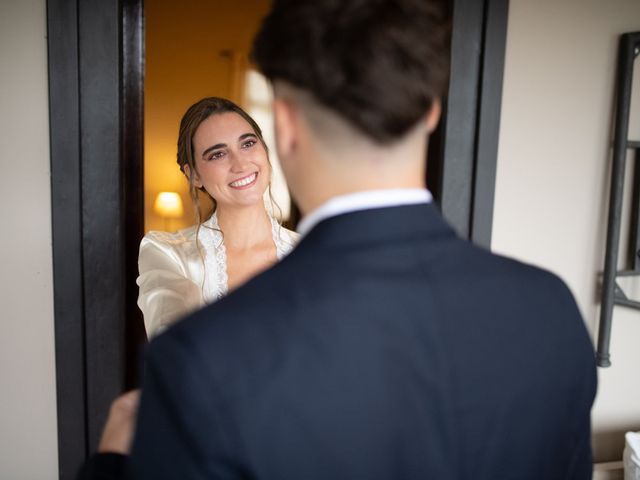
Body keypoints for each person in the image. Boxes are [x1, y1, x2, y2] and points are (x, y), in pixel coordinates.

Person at [79, 0, 597, 478]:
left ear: (282, 128)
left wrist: (109, 464)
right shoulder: (548, 307)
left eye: (246, 142)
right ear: (432, 108)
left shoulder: (203, 357)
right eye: (217, 154)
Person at [138, 97, 297, 337]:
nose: (241, 164)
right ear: (194, 176)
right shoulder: (168, 254)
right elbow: (175, 350)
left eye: (248, 144)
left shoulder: (313, 250)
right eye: (217, 155)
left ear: (264, 149)